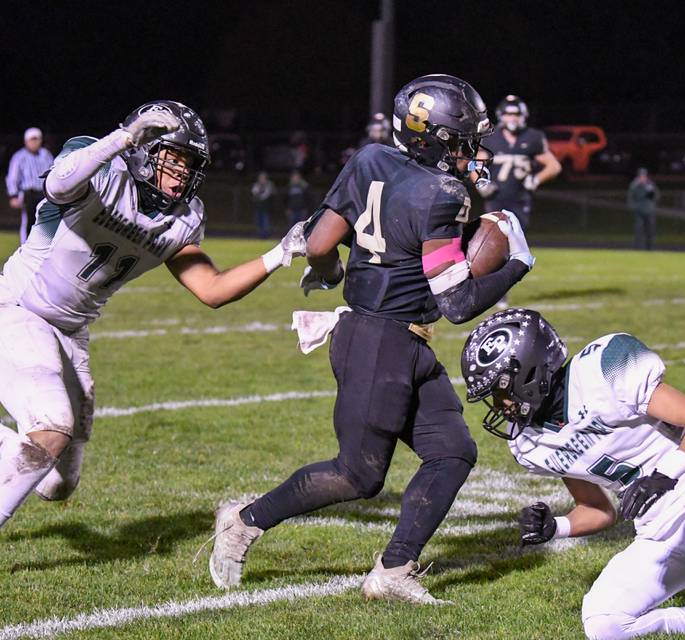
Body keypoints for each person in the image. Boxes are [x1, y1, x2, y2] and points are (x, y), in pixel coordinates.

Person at [207, 74, 534, 603]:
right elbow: (456, 305)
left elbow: (319, 241)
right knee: (358, 474)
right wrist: (518, 263)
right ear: (437, 138)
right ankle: (243, 521)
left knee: (452, 451)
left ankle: (393, 571)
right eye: (465, 138)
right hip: (380, 341)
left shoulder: (370, 158)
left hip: (394, 338)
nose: (475, 149)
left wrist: (330, 270)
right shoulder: (444, 193)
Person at [0, 101, 306, 530]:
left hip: (72, 333)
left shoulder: (181, 220)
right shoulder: (101, 166)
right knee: (51, 428)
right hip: (18, 310)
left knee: (57, 484)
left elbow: (212, 289)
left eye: (191, 163)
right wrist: (122, 139)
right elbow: (58, 184)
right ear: (145, 148)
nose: (183, 171)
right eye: (175, 157)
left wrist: (282, 253)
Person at [461, 308, 685, 638]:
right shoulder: (531, 444)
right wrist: (555, 527)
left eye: (502, 391)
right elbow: (598, 511)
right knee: (603, 621)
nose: (500, 405)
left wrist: (664, 475)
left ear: (530, 373)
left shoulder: (602, 368)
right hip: (657, 525)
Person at [477, 95, 561, 231]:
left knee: (517, 240)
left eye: (516, 114)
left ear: (524, 116)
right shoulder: (490, 137)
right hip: (495, 197)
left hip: (520, 198)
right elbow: (477, 164)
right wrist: (481, 183)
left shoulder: (533, 137)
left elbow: (554, 166)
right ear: (501, 115)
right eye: (508, 114)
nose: (512, 118)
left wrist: (536, 179)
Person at [5, 127, 54, 244]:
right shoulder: (19, 156)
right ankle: (25, 246)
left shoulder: (45, 154)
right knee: (28, 221)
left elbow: (53, 172)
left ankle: (43, 247)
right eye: (32, 139)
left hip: (44, 194)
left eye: (37, 139)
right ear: (26, 141)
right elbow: (13, 177)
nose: (35, 142)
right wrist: (13, 195)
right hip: (28, 194)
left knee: (45, 222)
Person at [627, 167, 659, 250]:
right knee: (638, 230)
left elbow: (655, 196)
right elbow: (631, 197)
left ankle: (650, 248)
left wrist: (651, 192)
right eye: (641, 176)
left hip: (649, 211)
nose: (643, 178)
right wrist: (634, 207)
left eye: (644, 176)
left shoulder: (650, 184)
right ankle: (637, 248)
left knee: (650, 230)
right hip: (639, 211)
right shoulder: (634, 185)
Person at [251, 171, 275, 239]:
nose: (262, 179)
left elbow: (265, 195)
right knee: (258, 222)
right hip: (258, 208)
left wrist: (259, 195)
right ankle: (260, 236)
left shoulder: (269, 185)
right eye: (260, 178)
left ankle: (266, 236)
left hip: (266, 208)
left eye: (263, 178)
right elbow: (254, 192)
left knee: (266, 223)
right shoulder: (256, 185)